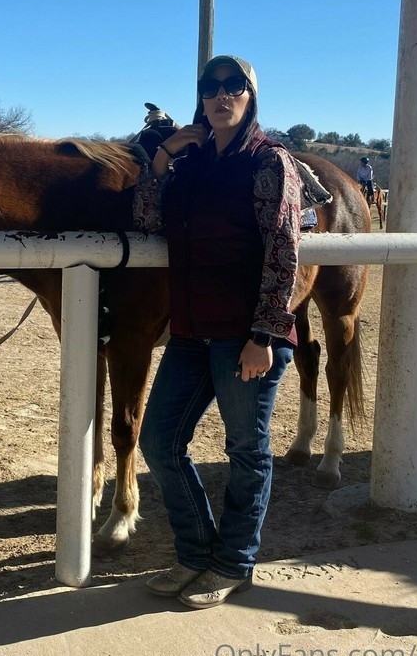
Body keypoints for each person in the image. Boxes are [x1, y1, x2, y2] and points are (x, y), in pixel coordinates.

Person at [133, 55, 301, 609]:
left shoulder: (269, 161)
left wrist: (265, 335)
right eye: (211, 87)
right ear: (201, 98)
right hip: (190, 332)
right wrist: (163, 156)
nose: (221, 95)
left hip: (244, 336)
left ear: (251, 96)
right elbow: (147, 219)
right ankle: (196, 552)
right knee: (158, 442)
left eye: (234, 86)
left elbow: (283, 250)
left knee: (246, 450)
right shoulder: (191, 164)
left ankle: (232, 563)